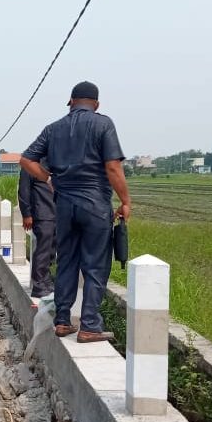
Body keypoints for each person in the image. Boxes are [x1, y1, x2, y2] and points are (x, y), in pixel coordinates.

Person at [20, 81, 132, 343]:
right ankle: (89, 325)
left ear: (70, 102)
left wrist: (49, 178)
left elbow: (26, 160)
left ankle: (62, 321)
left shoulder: (53, 128)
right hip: (95, 204)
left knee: (67, 261)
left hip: (63, 206)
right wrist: (125, 200)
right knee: (95, 265)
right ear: (97, 104)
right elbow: (113, 167)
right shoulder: (103, 124)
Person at [18, 162, 56, 298]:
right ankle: (39, 285)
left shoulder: (57, 162)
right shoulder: (31, 165)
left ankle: (46, 280)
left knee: (51, 250)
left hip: (57, 213)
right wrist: (26, 214)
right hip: (42, 214)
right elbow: (24, 190)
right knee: (43, 250)